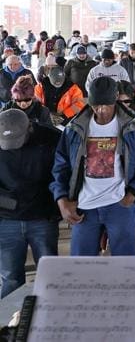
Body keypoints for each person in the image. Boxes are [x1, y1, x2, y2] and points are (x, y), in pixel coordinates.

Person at [51, 76, 135, 256]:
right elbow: (60, 165)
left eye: (106, 105)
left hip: (120, 205)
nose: (101, 110)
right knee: (80, 265)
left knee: (125, 265)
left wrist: (133, 193)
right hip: (84, 206)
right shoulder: (75, 126)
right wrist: (62, 200)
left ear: (115, 98)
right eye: (96, 105)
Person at [0, 110, 61, 298]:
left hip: (42, 217)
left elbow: (62, 174)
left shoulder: (52, 138)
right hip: (6, 220)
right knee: (10, 277)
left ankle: (49, 320)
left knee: (49, 276)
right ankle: (8, 325)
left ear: (30, 128)